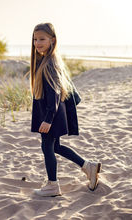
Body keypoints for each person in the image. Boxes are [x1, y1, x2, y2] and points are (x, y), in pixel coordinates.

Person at [30, 22, 101, 197]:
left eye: (42, 39)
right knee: (56, 146)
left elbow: (54, 94)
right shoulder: (46, 59)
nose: (37, 43)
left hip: (51, 114)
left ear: (52, 40)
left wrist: (47, 118)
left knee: (47, 147)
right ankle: (88, 166)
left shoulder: (50, 63)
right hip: (53, 112)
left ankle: (53, 185)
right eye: (35, 39)